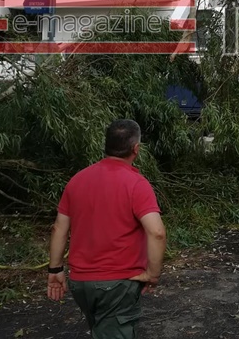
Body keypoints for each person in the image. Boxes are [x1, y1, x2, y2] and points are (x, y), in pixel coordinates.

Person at [47, 119, 166, 339]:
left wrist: (55, 270)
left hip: (81, 283)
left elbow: (58, 229)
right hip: (117, 283)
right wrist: (153, 274)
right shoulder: (136, 184)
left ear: (107, 145)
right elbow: (156, 232)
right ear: (136, 149)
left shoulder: (77, 181)